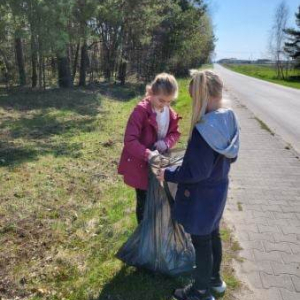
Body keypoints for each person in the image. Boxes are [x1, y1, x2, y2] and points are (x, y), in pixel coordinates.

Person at [156, 70, 240, 300]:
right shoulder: (228, 118)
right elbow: (230, 157)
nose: (193, 103)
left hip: (202, 197)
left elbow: (196, 172)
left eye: (194, 98)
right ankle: (214, 279)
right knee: (213, 234)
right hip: (218, 191)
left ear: (203, 96)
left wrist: (169, 172)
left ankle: (200, 291)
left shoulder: (204, 129)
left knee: (201, 241)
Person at [118, 73, 181, 224]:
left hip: (159, 163)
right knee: (144, 202)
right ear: (152, 93)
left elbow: (175, 133)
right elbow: (130, 140)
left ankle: (155, 232)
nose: (165, 105)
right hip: (141, 165)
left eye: (169, 101)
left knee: (158, 199)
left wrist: (166, 142)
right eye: (161, 100)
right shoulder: (140, 111)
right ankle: (143, 236)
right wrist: (148, 154)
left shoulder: (169, 113)